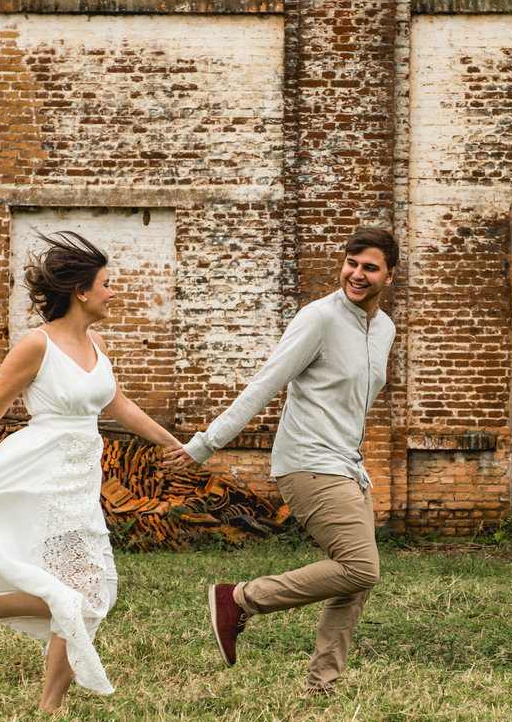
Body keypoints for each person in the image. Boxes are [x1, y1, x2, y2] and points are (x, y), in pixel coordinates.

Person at [0, 231, 183, 713]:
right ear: (82, 292)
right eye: (107, 284)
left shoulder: (98, 342)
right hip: (40, 475)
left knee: (87, 592)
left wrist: (174, 443)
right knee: (82, 592)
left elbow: (119, 406)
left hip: (82, 480)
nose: (114, 292)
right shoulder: (36, 345)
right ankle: (50, 707)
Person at [164, 226, 399, 696]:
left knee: (354, 579)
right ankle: (240, 599)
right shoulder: (319, 318)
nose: (357, 274)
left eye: (369, 267)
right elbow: (265, 384)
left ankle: (321, 685)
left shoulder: (384, 330)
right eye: (351, 263)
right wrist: (205, 443)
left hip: (346, 465)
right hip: (308, 462)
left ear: (389, 276)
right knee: (361, 566)